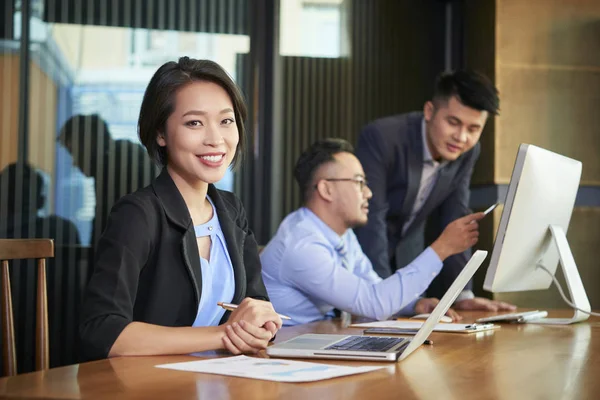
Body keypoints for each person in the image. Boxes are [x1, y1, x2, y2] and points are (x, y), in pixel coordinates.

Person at [79, 57, 282, 361]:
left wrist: (262, 325)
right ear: (160, 134)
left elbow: (255, 306)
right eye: (194, 123)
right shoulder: (138, 214)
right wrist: (224, 335)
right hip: (150, 385)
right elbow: (102, 330)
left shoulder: (230, 209)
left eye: (226, 121)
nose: (216, 139)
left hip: (221, 379)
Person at [260, 138, 483, 326]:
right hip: (281, 351)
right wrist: (442, 248)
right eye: (359, 182)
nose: (368, 193)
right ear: (326, 189)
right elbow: (374, 305)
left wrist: (415, 304)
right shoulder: (302, 245)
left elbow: (373, 287)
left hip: (313, 339)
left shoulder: (341, 234)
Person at [354, 70, 515, 312]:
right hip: (363, 262)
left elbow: (456, 216)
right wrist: (386, 298)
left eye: (473, 129)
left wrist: (462, 294)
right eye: (453, 122)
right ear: (429, 111)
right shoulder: (383, 137)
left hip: (410, 260)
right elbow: (372, 219)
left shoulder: (469, 151)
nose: (461, 137)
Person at [58, 114, 160, 246]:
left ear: (88, 145)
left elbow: (104, 226)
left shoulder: (117, 165)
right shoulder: (118, 157)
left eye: (74, 152)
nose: (74, 163)